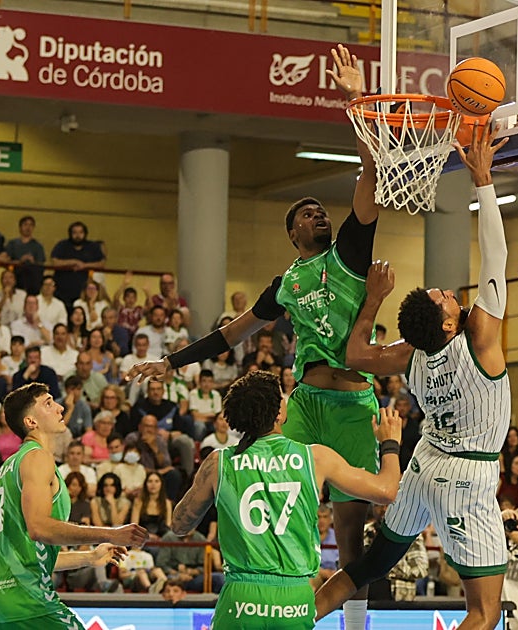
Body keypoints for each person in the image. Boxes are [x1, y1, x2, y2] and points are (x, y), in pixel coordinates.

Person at [125, 43, 384, 630]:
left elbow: (371, 175)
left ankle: (351, 622)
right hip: (305, 400)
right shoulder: (286, 282)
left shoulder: (350, 251)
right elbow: (228, 336)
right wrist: (172, 361)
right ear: (292, 229)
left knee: (348, 528)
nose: (320, 214)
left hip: (350, 400)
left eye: (323, 209)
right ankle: (253, 582)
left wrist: (353, 101)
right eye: (309, 211)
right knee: (252, 471)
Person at [313, 124, 512, 630]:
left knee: (367, 566)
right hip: (466, 476)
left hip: (423, 465)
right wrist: (483, 182)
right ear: (449, 323)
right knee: (484, 613)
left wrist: (374, 298)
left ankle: (295, 620)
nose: (447, 291)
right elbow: (497, 257)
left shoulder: (412, 353)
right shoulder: (481, 338)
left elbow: (355, 352)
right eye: (442, 297)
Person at [166, 370, 405, 630]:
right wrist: (390, 443)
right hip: (295, 600)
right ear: (279, 414)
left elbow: (179, 525)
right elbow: (387, 491)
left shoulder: (218, 462)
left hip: (240, 600)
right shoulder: (315, 458)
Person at [0, 382, 149, 629]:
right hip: (29, 601)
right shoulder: (38, 458)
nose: (60, 408)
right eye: (48, 403)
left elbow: (31, 554)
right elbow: (40, 528)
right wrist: (111, 532)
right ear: (31, 422)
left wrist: (90, 556)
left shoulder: (11, 465)